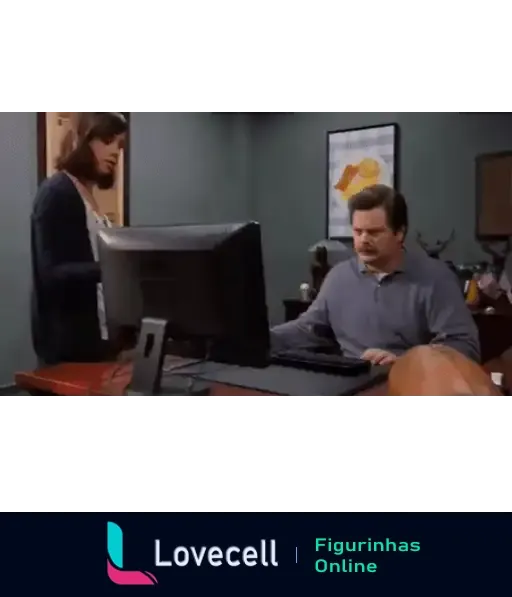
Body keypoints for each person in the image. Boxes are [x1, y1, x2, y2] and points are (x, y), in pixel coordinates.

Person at [271, 184, 480, 365]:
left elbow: (465, 347)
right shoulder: (338, 278)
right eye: (358, 231)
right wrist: (261, 338)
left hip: (411, 384)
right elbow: (307, 329)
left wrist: (404, 362)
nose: (363, 240)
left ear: (399, 233)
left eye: (374, 232)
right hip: (351, 385)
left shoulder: (436, 278)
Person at [31, 112, 128, 365]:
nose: (115, 152)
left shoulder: (89, 196)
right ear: (83, 140)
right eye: (107, 141)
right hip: (68, 347)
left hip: (98, 340)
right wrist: (112, 269)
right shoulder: (57, 192)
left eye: (119, 145)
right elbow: (50, 273)